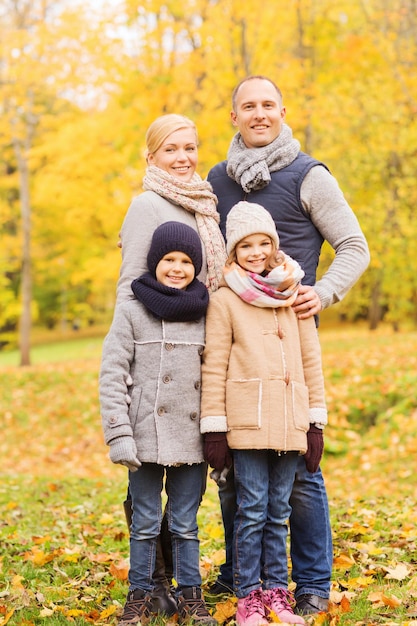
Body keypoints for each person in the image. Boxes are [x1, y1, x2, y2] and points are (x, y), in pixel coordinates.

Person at [205, 75, 370, 615]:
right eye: (247, 106)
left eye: (267, 105)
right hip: (235, 344)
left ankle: (313, 582)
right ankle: (243, 579)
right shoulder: (218, 180)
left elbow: (353, 245)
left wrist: (322, 294)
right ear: (234, 117)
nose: (258, 114)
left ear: (282, 111)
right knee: (236, 479)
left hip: (289, 345)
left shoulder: (308, 175)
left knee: (299, 475)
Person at [115, 113, 227, 616]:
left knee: (185, 513)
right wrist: (133, 354)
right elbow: (130, 283)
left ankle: (181, 589)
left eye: (190, 146)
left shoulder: (203, 202)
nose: (183, 157)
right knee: (146, 507)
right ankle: (150, 586)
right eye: (170, 149)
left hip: (197, 335)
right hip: (153, 357)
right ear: (151, 156)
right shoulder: (148, 204)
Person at [201, 201, 327, 626]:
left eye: (263, 243)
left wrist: (315, 421)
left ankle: (277, 593)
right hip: (246, 423)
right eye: (245, 246)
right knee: (251, 509)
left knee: (278, 512)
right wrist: (215, 429)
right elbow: (215, 363)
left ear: (273, 245)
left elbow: (311, 361)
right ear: (233, 251)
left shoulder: (295, 293)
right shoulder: (224, 299)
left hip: (290, 422)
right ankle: (248, 597)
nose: (255, 252)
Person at [100, 221, 218, 626]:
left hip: (192, 437)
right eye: (169, 259)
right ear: (155, 262)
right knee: (145, 522)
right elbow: (112, 373)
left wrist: (218, 435)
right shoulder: (132, 309)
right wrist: (118, 433)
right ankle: (142, 593)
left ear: (196, 267)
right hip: (144, 436)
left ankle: (190, 595)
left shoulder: (209, 310)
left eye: (186, 261)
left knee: (185, 524)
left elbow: (218, 375)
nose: (177, 268)